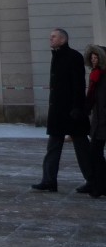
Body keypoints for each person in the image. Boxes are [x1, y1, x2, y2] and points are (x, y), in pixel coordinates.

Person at [33, 28, 93, 192]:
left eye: (53, 37)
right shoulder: (57, 56)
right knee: (53, 147)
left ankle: (94, 180)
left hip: (72, 112)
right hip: (58, 112)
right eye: (50, 37)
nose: (50, 40)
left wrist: (77, 108)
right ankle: (49, 180)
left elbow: (78, 85)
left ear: (62, 39)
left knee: (82, 149)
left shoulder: (73, 57)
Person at [84, 44, 106, 198]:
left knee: (95, 153)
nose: (93, 60)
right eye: (91, 58)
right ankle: (99, 186)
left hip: (103, 122)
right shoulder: (95, 76)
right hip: (99, 122)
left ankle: (100, 186)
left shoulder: (102, 77)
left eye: (96, 57)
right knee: (95, 154)